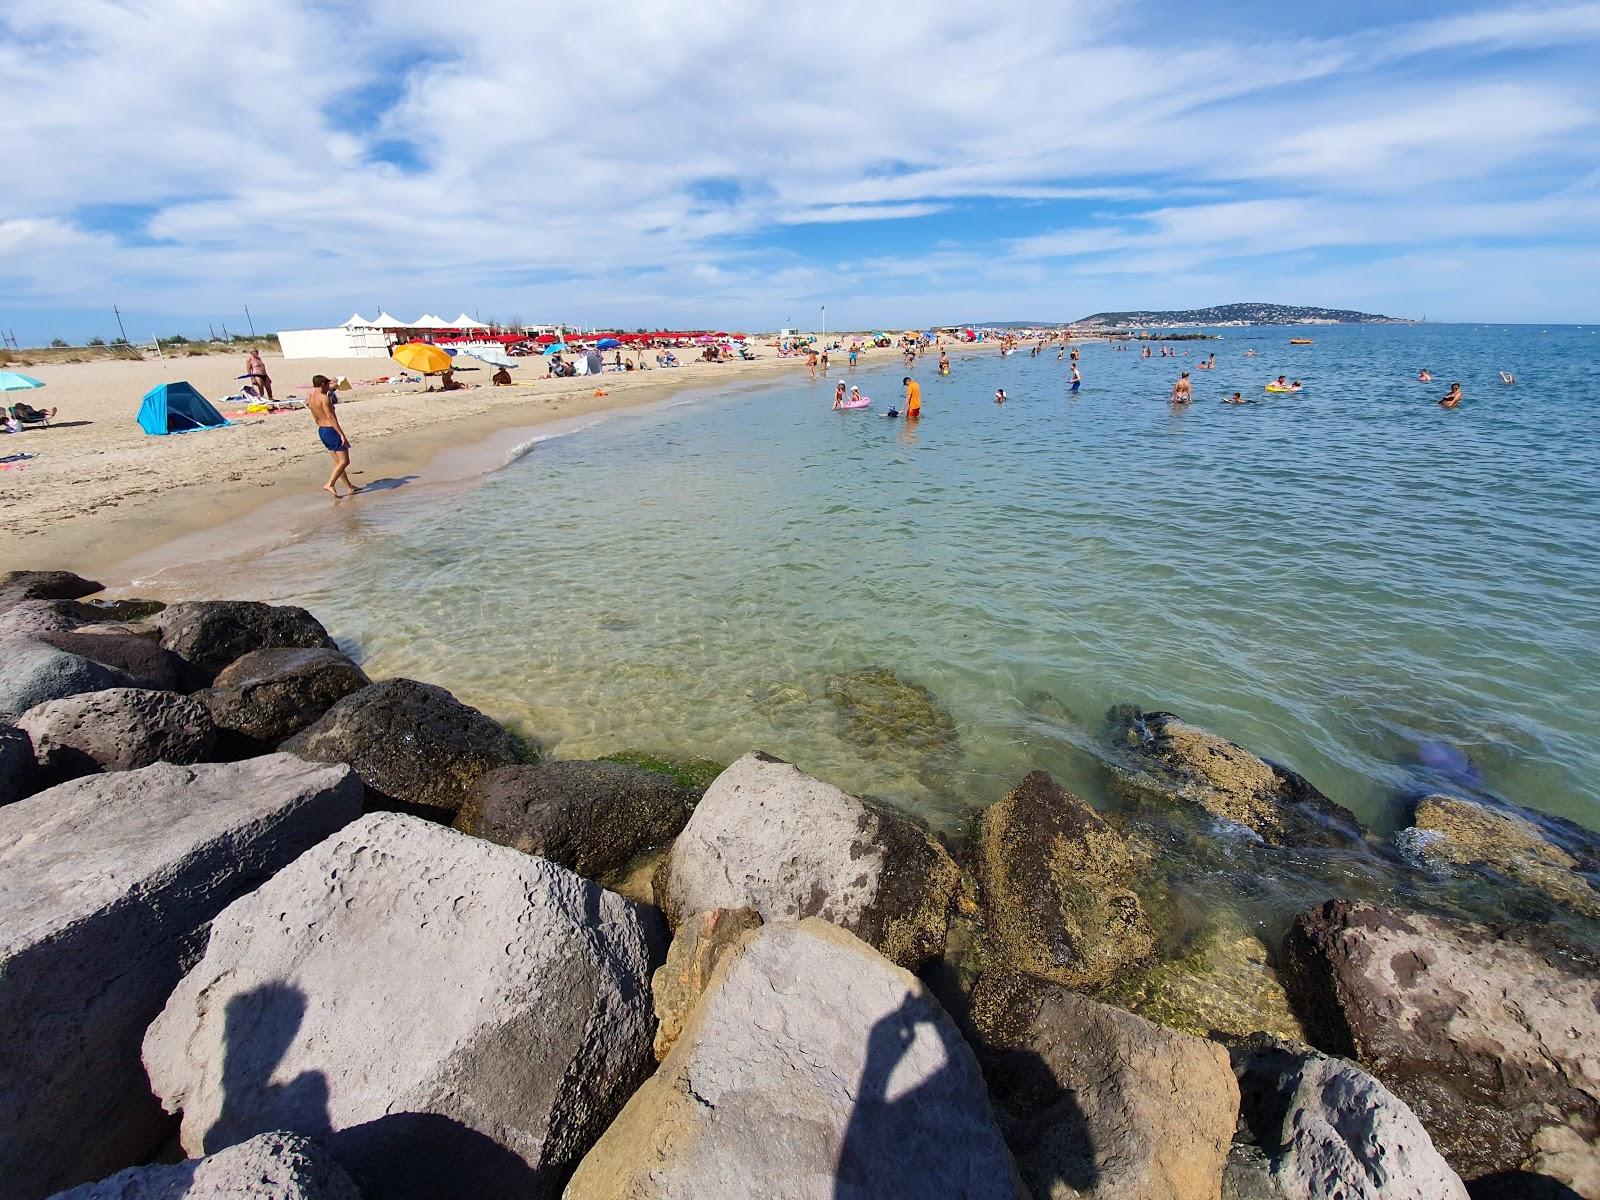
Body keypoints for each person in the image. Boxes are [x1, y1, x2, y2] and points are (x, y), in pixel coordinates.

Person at [307, 375, 359, 498]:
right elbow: (331, 417)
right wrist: (341, 435)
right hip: (331, 430)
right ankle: (329, 484)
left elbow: (314, 416)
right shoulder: (324, 398)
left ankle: (349, 487)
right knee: (344, 461)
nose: (328, 387)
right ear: (322, 385)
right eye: (326, 384)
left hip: (322, 430)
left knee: (337, 463)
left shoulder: (311, 397)